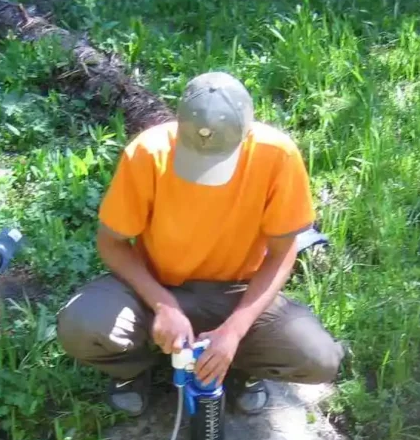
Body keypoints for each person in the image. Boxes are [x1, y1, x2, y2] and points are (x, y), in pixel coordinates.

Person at [56, 71, 344, 417]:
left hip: (236, 291)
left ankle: (238, 365)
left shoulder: (278, 156)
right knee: (81, 325)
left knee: (317, 359)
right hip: (155, 286)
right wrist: (164, 306)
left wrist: (235, 330)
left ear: (247, 132)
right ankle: (131, 370)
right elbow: (111, 242)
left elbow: (282, 254)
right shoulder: (148, 153)